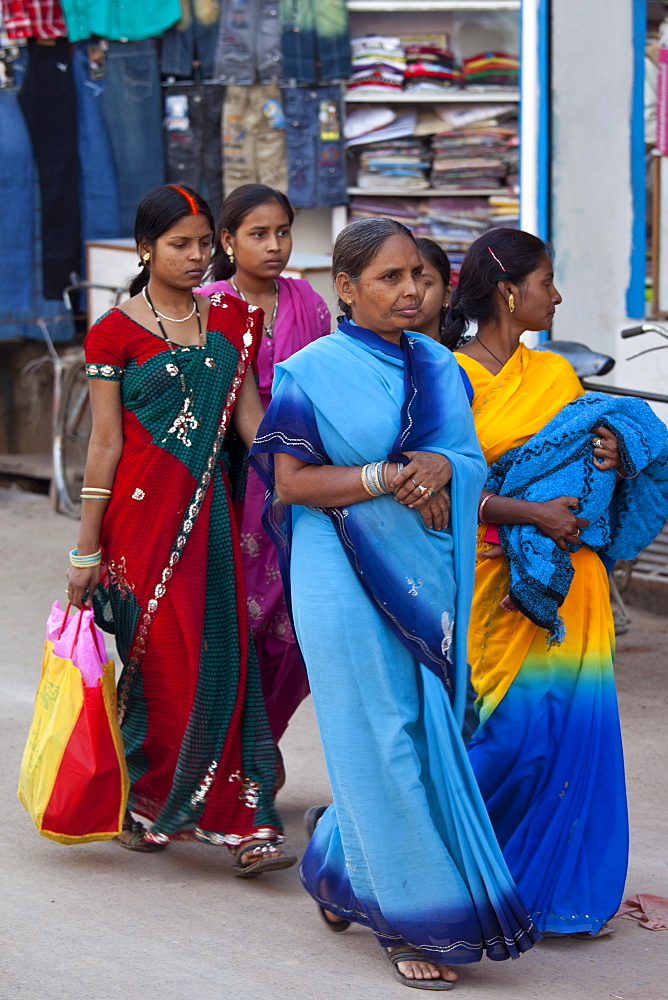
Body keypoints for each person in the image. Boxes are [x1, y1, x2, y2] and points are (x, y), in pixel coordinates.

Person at [250, 217, 541, 990]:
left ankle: (336, 861)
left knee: (427, 724)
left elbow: (465, 460)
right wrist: (388, 478)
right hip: (337, 572)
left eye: (419, 274)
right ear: (345, 288)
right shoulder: (311, 370)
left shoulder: (441, 368)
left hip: (425, 573)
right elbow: (290, 484)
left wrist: (441, 473)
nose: (413, 289)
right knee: (380, 732)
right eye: (390, 277)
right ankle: (408, 917)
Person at [65, 184, 297, 875]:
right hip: (139, 523)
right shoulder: (114, 332)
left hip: (210, 519)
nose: (198, 257)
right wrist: (85, 547)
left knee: (225, 656)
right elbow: (105, 444)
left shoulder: (232, 320)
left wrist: (313, 476)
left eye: (204, 243)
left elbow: (252, 420)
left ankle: (244, 820)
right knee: (164, 666)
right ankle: (148, 799)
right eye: (179, 245)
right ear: (145, 248)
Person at [448, 227, 630, 935]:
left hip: (575, 583)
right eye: (547, 281)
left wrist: (610, 454)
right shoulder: (448, 375)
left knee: (570, 733)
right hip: (495, 584)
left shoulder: (554, 375)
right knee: (508, 734)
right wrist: (529, 512)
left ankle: (555, 893)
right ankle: (427, 860)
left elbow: (586, 469)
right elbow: (447, 487)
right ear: (507, 291)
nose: (556, 295)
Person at [198, 184, 330, 761]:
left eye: (282, 232)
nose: (275, 245)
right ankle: (218, 759)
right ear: (227, 240)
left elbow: (329, 388)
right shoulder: (206, 303)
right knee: (230, 626)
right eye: (258, 234)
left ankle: (254, 750)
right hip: (229, 477)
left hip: (306, 475)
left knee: (299, 629)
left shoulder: (308, 300)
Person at [411, 237, 453, 345]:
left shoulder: (462, 357)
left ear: (447, 294)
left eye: (426, 283)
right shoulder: (372, 354)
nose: (412, 291)